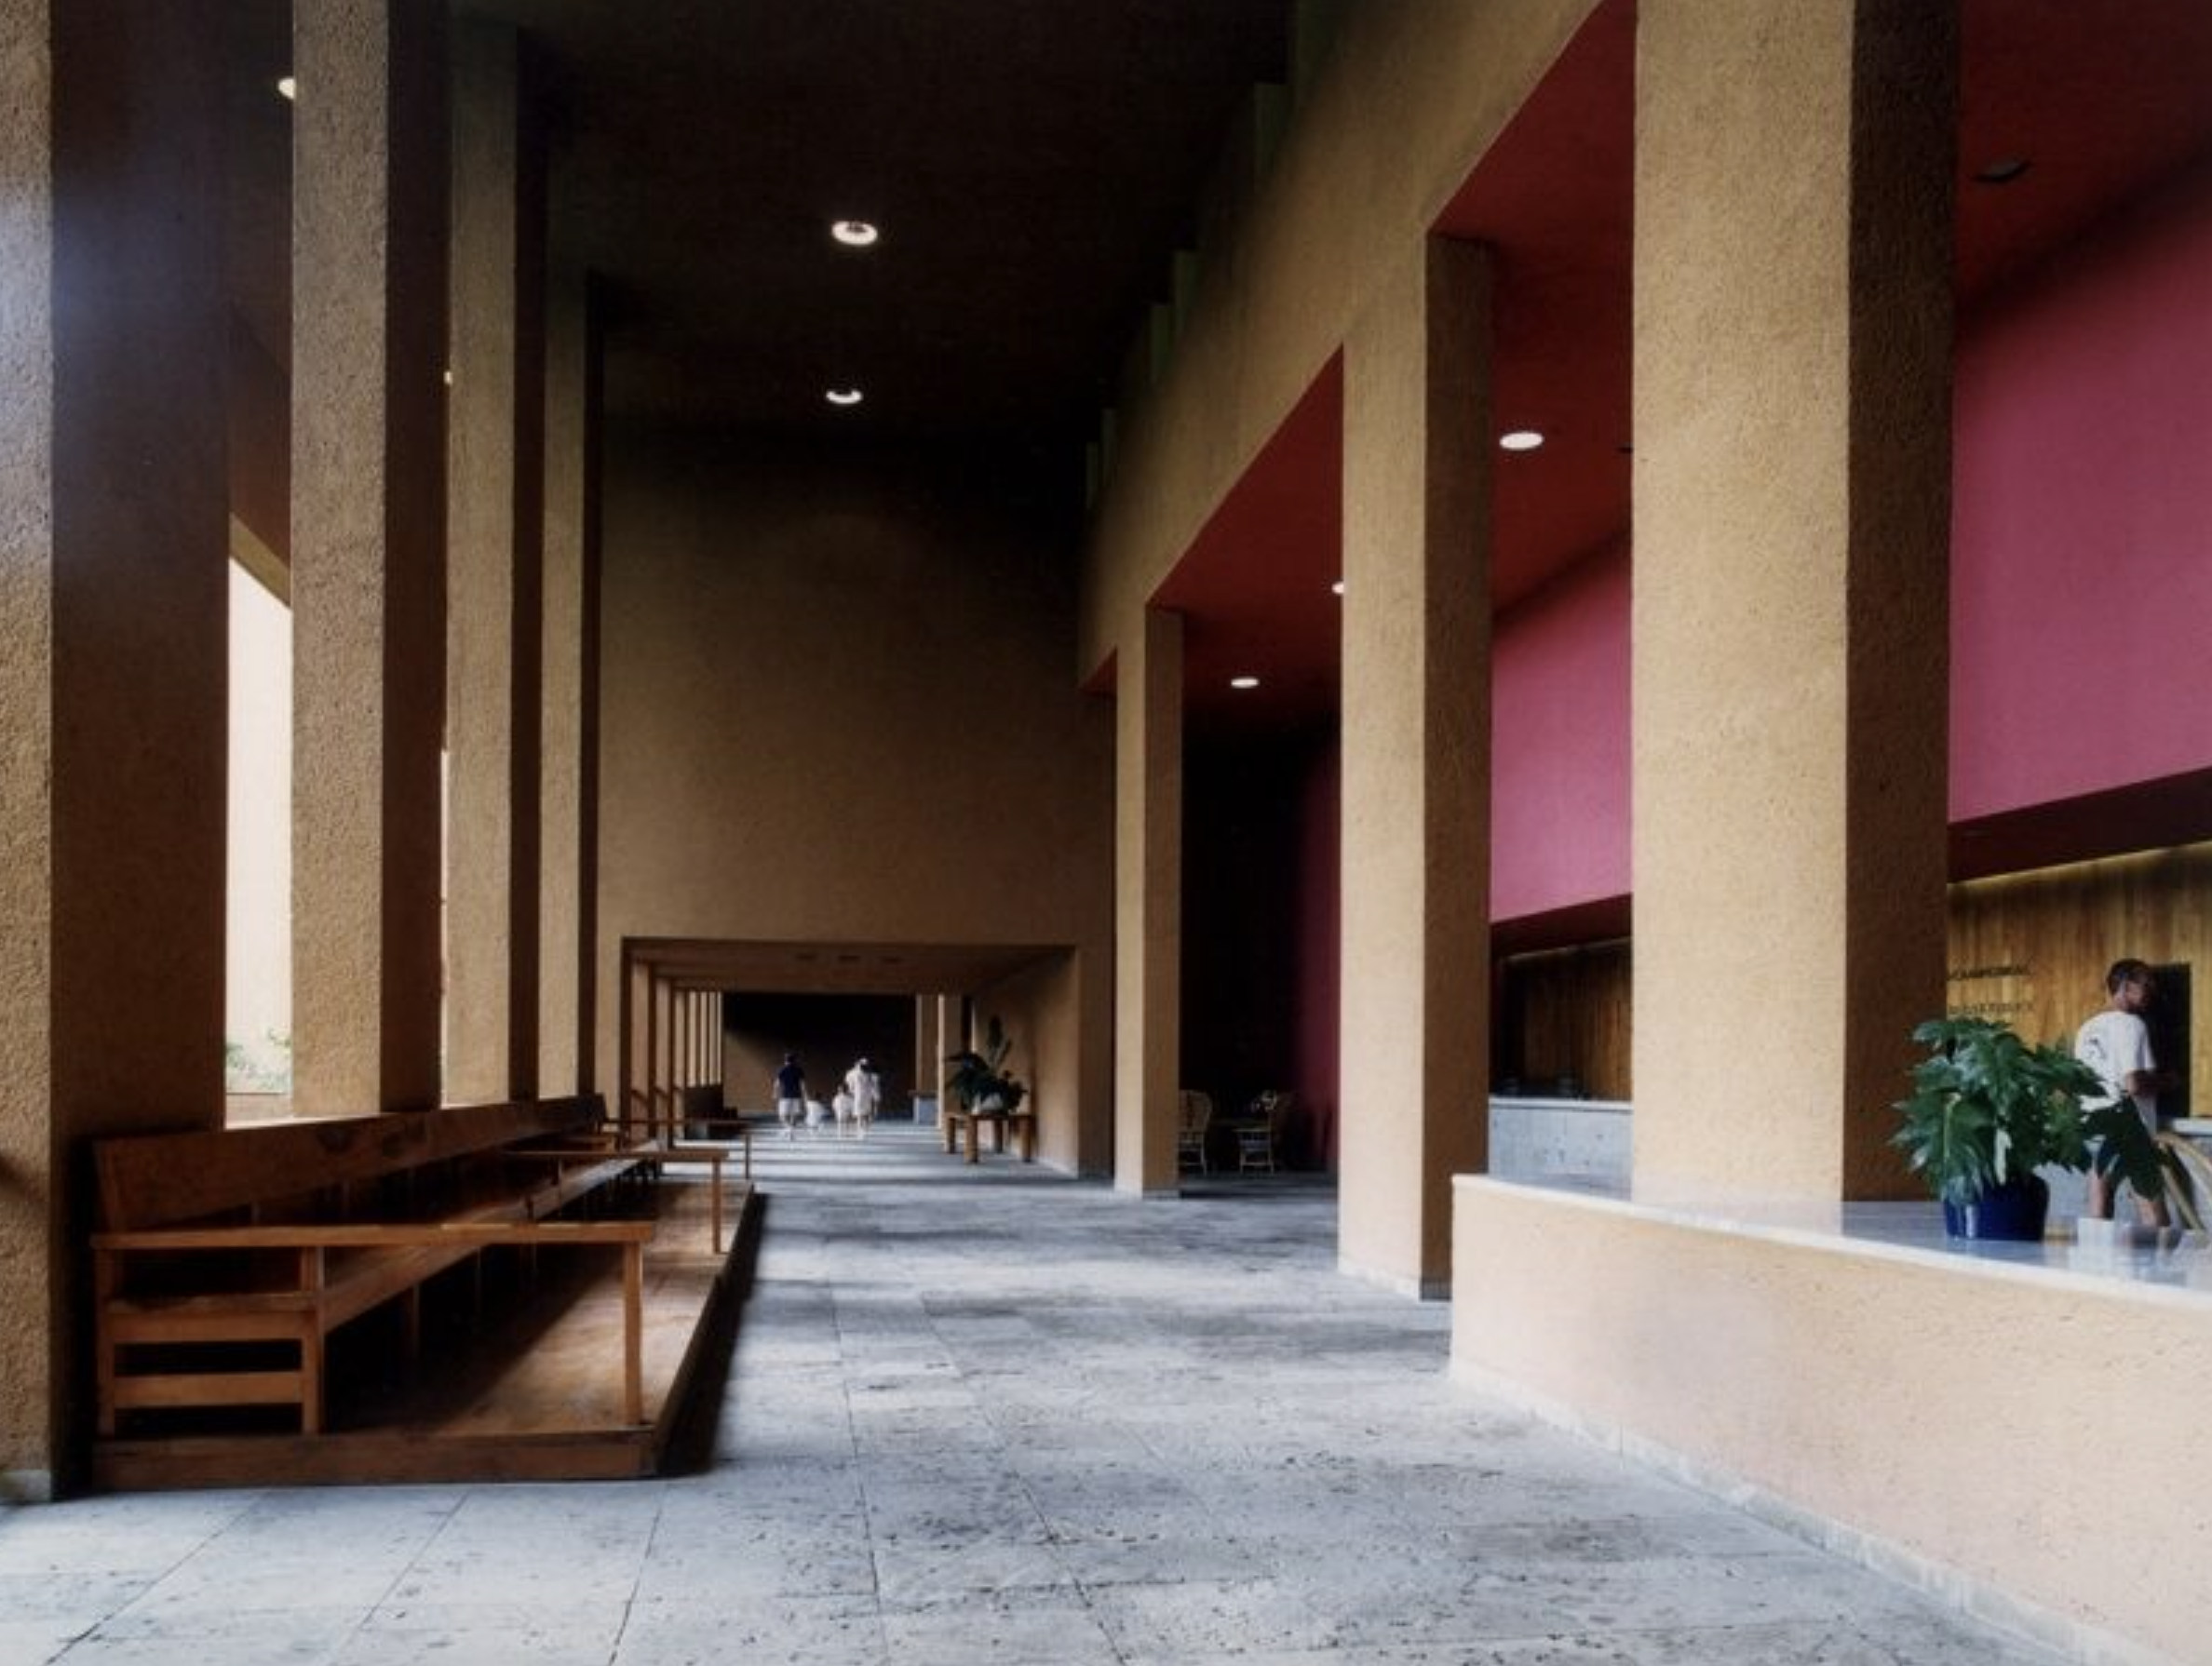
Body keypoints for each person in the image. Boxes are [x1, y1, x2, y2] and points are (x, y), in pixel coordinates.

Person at [2074, 959, 2168, 1226]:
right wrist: (2169, 1082)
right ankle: (2162, 1256)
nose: (2152, 990)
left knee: (2099, 1210)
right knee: (2154, 1217)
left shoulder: (2087, 1028)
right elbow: (2134, 1084)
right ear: (2126, 986)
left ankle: (2098, 1254)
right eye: (2146, 984)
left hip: (2093, 1125)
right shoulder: (2133, 1025)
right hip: (2129, 1129)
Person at [841, 1056, 883, 1139]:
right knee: (862, 1114)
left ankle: (862, 1130)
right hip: (861, 1096)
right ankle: (862, 1130)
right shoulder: (863, 1074)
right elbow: (873, 1087)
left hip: (862, 1096)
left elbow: (873, 1087)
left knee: (862, 1114)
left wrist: (876, 1098)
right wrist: (876, 1098)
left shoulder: (865, 1075)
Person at [773, 1053, 807, 1142]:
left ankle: (788, 1129)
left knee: (782, 1116)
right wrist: (805, 1096)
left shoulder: (782, 1070)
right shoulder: (799, 1070)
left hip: (785, 1096)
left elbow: (777, 1084)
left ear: (785, 1060)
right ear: (795, 1060)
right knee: (794, 1115)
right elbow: (802, 1085)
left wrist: (775, 1093)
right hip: (797, 1095)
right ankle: (791, 1134)